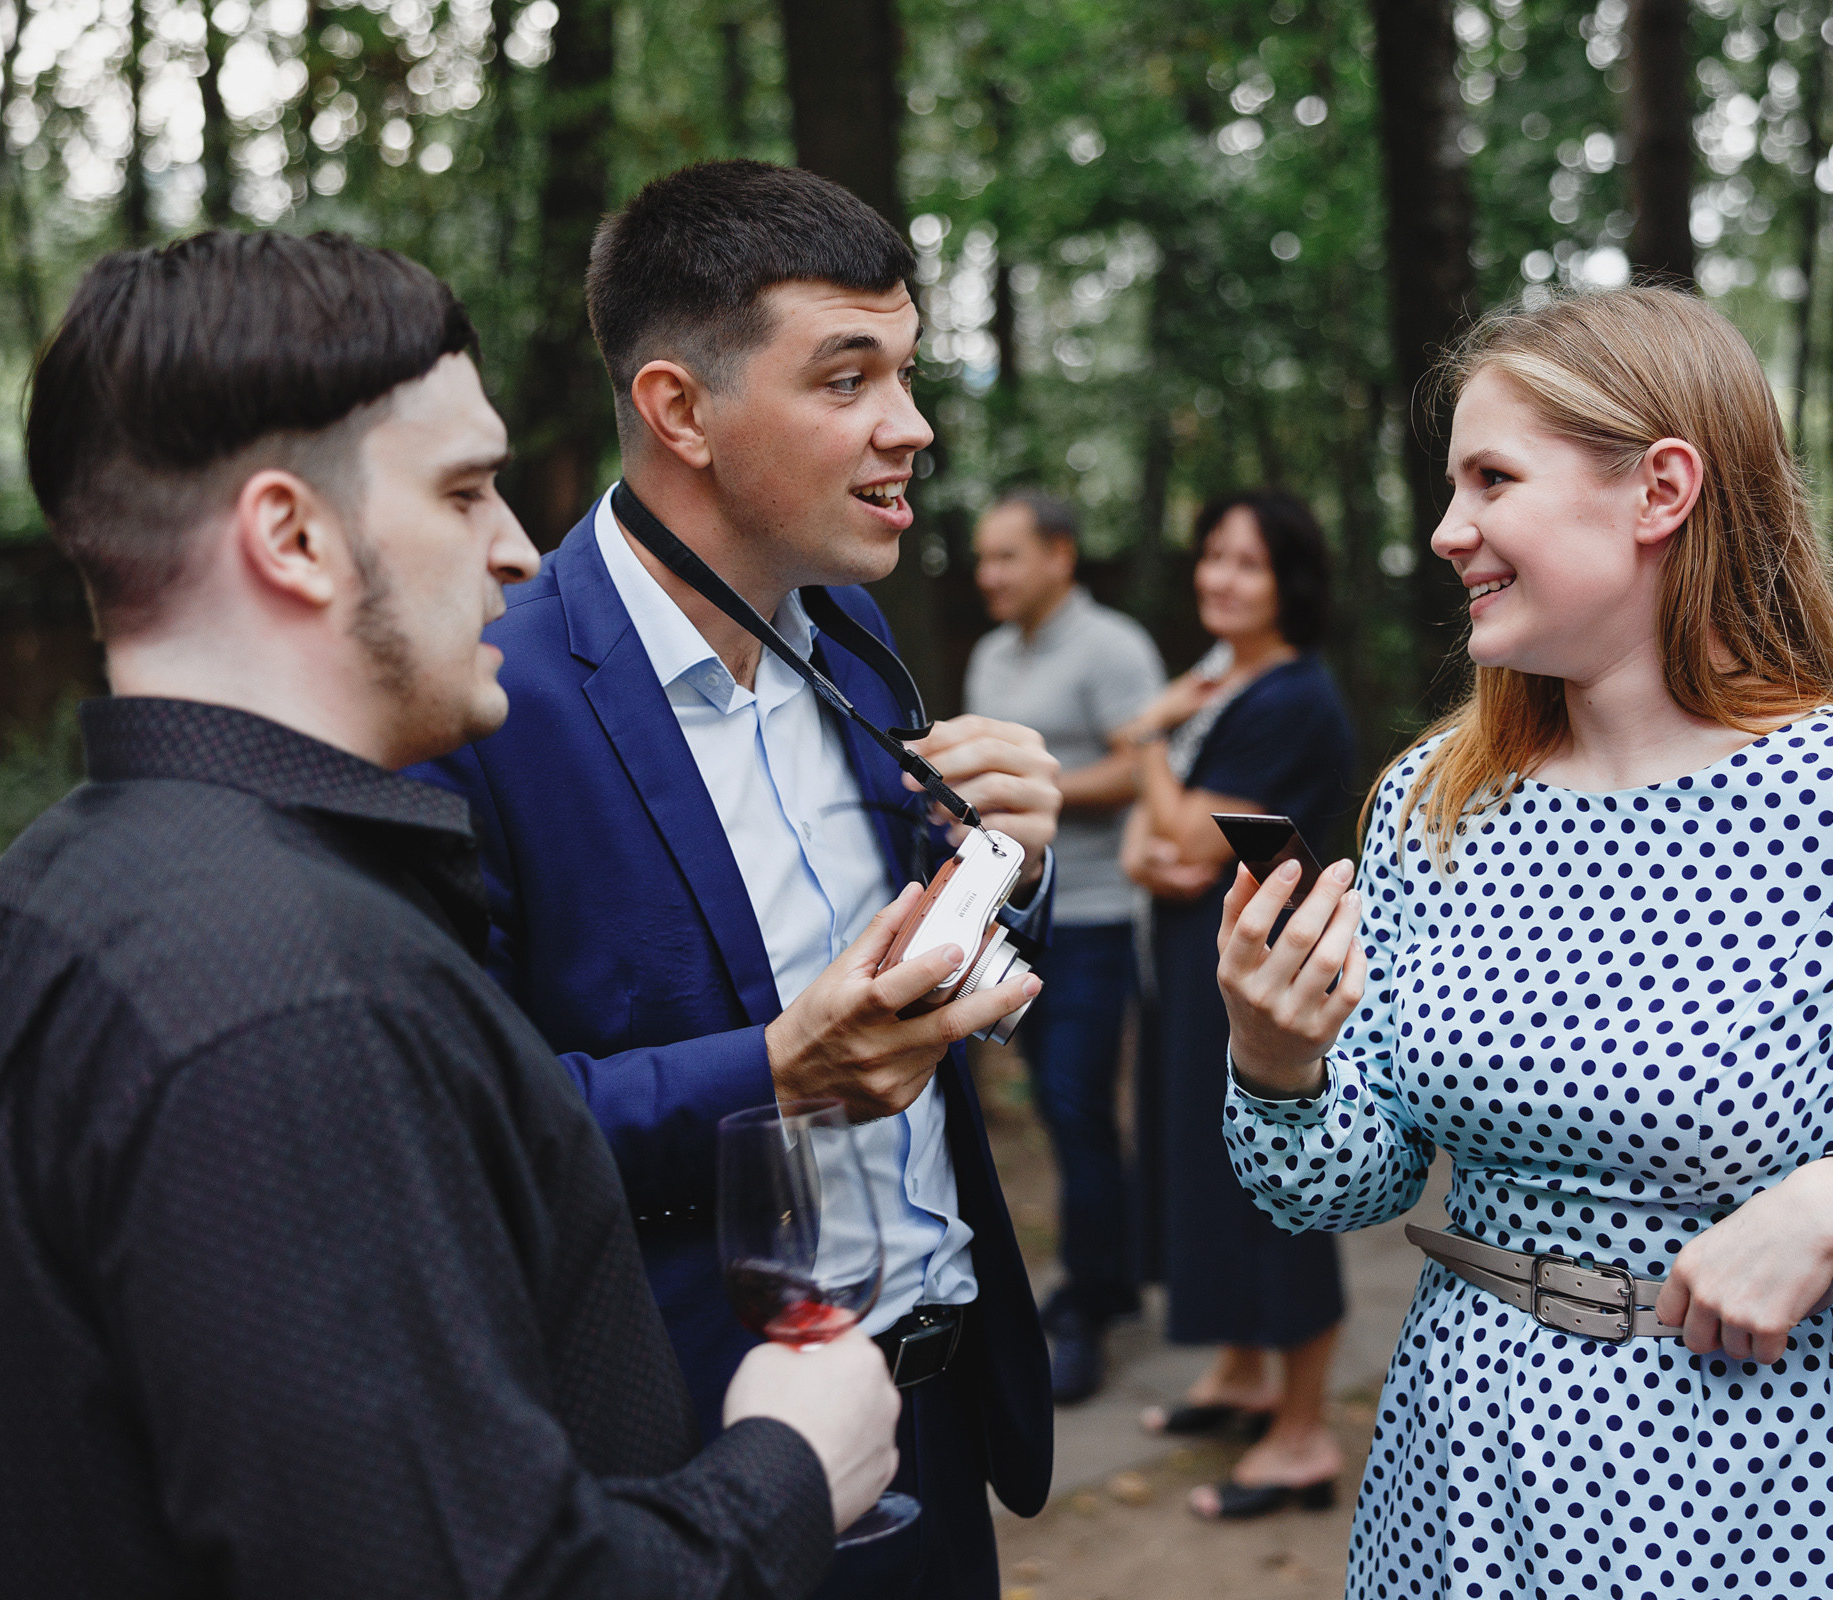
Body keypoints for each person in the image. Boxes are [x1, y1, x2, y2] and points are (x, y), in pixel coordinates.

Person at [0, 230, 904, 1599]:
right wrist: (787, 1470)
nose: (514, 555)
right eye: (466, 492)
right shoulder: (287, 997)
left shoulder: (26, 911)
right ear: (294, 536)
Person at [1217, 287, 1833, 1599]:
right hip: (1465, 1478)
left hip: (1763, 1494)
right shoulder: (1434, 802)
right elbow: (1345, 1187)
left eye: (1492, 479)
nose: (1446, 529)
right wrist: (1278, 1060)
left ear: (1660, 491)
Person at [411, 161, 1060, 1600]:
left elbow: (917, 973)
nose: (913, 426)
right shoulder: (492, 710)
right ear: (679, 409)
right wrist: (774, 1067)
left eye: (905, 369)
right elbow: (468, 1136)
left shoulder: (854, 627)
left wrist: (1007, 868)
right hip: (696, 1470)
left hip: (936, 1422)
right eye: (848, 379)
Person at [1109, 489, 1354, 1521]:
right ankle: (1245, 1376)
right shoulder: (1224, 679)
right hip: (1198, 959)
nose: (1220, 578)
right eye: (1212, 556)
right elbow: (1152, 847)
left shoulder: (1291, 695)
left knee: (1278, 1191)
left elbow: (1186, 833)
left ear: (1288, 581)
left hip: (1263, 982)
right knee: (1210, 1176)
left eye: (1247, 563)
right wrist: (1160, 825)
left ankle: (1302, 1433)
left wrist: (1148, 740)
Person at [964, 491, 1167, 1402]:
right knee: (1059, 1104)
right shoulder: (990, 654)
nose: (989, 576)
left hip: (1095, 914)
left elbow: (1144, 768)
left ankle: (1087, 1303)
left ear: (1059, 555)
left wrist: (1036, 791)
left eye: (1006, 557)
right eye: (983, 560)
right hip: (1017, 917)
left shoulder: (1115, 647)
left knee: (1078, 1101)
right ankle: (1116, 1276)